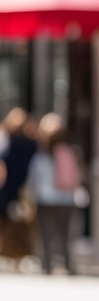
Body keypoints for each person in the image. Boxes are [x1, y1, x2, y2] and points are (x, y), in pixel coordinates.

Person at [30, 113, 81, 274]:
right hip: (66, 199)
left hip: (45, 199)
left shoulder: (41, 157)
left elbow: (33, 180)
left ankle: (47, 265)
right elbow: (76, 177)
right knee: (64, 234)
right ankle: (67, 264)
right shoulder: (69, 153)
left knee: (46, 234)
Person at [0, 108, 36, 261]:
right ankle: (19, 256)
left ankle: (6, 253)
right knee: (22, 226)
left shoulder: (6, 142)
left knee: (5, 224)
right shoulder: (32, 145)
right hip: (23, 190)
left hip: (6, 189)